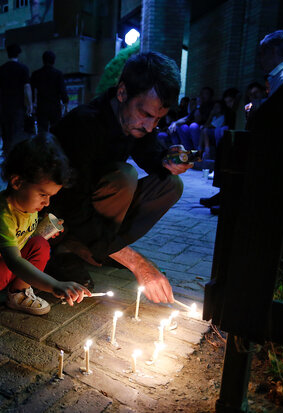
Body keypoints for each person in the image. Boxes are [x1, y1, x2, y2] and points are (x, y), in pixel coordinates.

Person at [46, 51, 190, 304]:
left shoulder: (132, 121)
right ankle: (67, 251)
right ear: (122, 92)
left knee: (170, 185)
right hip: (57, 218)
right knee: (125, 177)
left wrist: (168, 159)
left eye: (157, 119)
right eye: (145, 114)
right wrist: (136, 262)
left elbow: (149, 153)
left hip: (91, 213)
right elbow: (71, 206)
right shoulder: (84, 125)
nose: (149, 127)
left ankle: (102, 250)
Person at [0, 134, 90, 335]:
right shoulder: (3, 215)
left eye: (50, 197)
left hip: (12, 256)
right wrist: (54, 285)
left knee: (40, 244)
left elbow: (24, 235)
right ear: (17, 182)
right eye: (43, 195)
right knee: (2, 268)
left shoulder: (27, 205)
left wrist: (44, 230)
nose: (46, 203)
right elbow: (13, 261)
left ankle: (17, 293)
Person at [0, 43, 32, 154]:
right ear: (18, 54)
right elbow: (27, 87)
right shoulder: (23, 68)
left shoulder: (1, 69)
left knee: (6, 131)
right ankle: (15, 154)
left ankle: (6, 152)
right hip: (18, 106)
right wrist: (29, 104)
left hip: (5, 106)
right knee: (17, 130)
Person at [31, 51, 69, 133]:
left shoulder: (36, 74)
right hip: (55, 106)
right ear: (53, 61)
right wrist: (65, 103)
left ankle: (43, 145)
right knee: (56, 130)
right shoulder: (58, 74)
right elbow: (62, 90)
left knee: (42, 131)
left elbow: (32, 90)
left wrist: (32, 104)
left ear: (43, 60)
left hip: (42, 107)